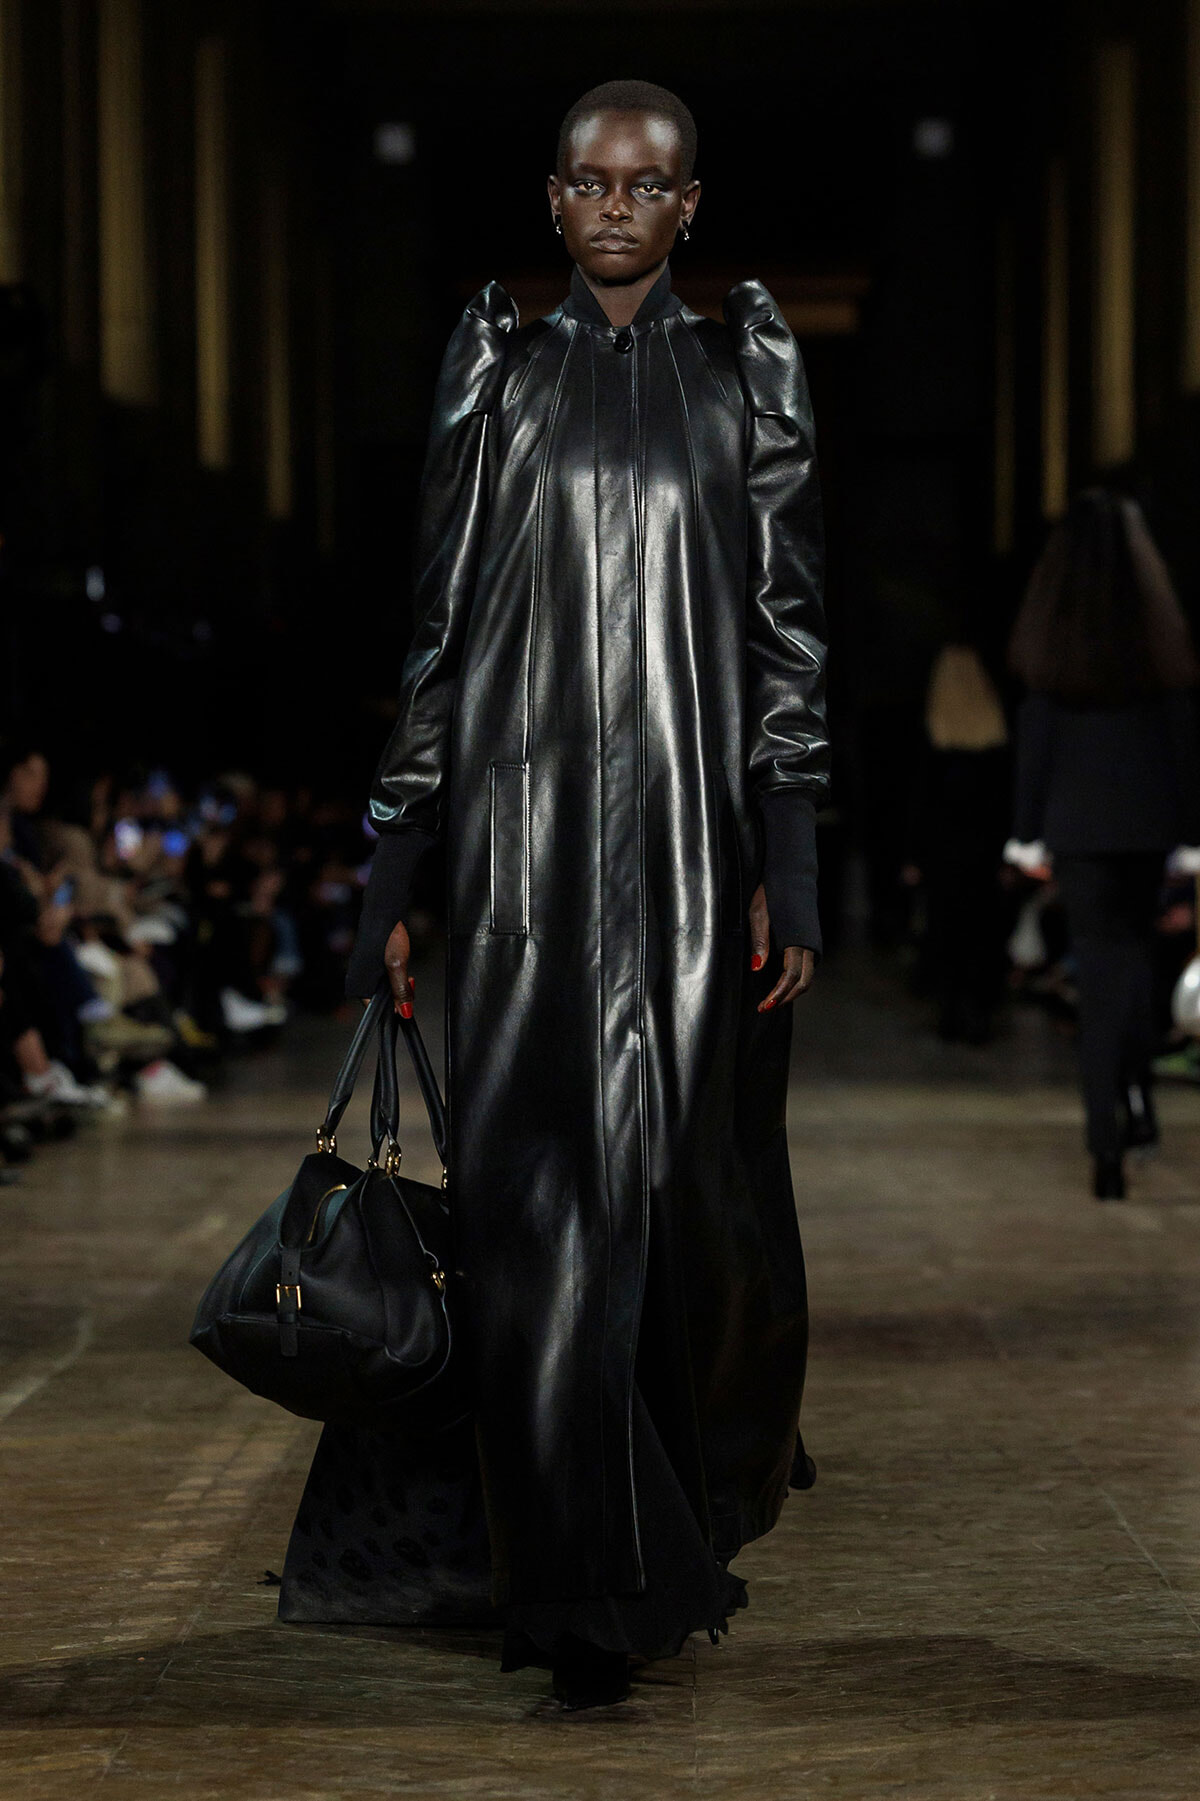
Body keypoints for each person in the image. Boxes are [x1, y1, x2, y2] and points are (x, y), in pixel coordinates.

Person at [280, 80, 829, 1710]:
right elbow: (440, 639)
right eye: (587, 181)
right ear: (551, 199)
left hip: (684, 868)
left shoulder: (748, 388)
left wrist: (787, 862)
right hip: (517, 868)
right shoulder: (497, 381)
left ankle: (662, 1535)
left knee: (668, 1215)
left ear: (687, 208)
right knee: (535, 1226)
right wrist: (395, 869)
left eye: (643, 184)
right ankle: (576, 1589)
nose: (612, 206)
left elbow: (790, 643)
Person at [1008, 488, 1200, 1199]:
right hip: (1147, 828)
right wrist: (1189, 834)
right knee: (1131, 963)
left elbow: (1037, 741)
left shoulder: (1054, 646)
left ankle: (1105, 1142)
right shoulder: (1159, 644)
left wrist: (1026, 834)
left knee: (1103, 976)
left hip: (1080, 829)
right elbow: (1182, 744)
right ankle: (1138, 1092)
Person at [904, 643, 1010, 1044]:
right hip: (985, 852)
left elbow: (920, 802)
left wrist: (913, 855)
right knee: (982, 931)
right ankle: (978, 1013)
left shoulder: (932, 733)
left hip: (943, 853)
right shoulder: (996, 736)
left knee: (946, 930)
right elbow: (1004, 803)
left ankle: (952, 1013)